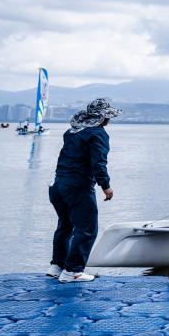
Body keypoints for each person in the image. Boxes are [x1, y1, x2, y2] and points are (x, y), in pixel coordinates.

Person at [47, 98, 120, 283]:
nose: (109, 119)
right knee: (87, 229)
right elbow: (99, 163)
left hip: (57, 185)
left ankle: (57, 266)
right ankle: (73, 271)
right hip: (78, 186)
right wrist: (106, 186)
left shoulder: (72, 131)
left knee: (65, 226)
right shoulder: (98, 134)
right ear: (103, 117)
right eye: (108, 116)